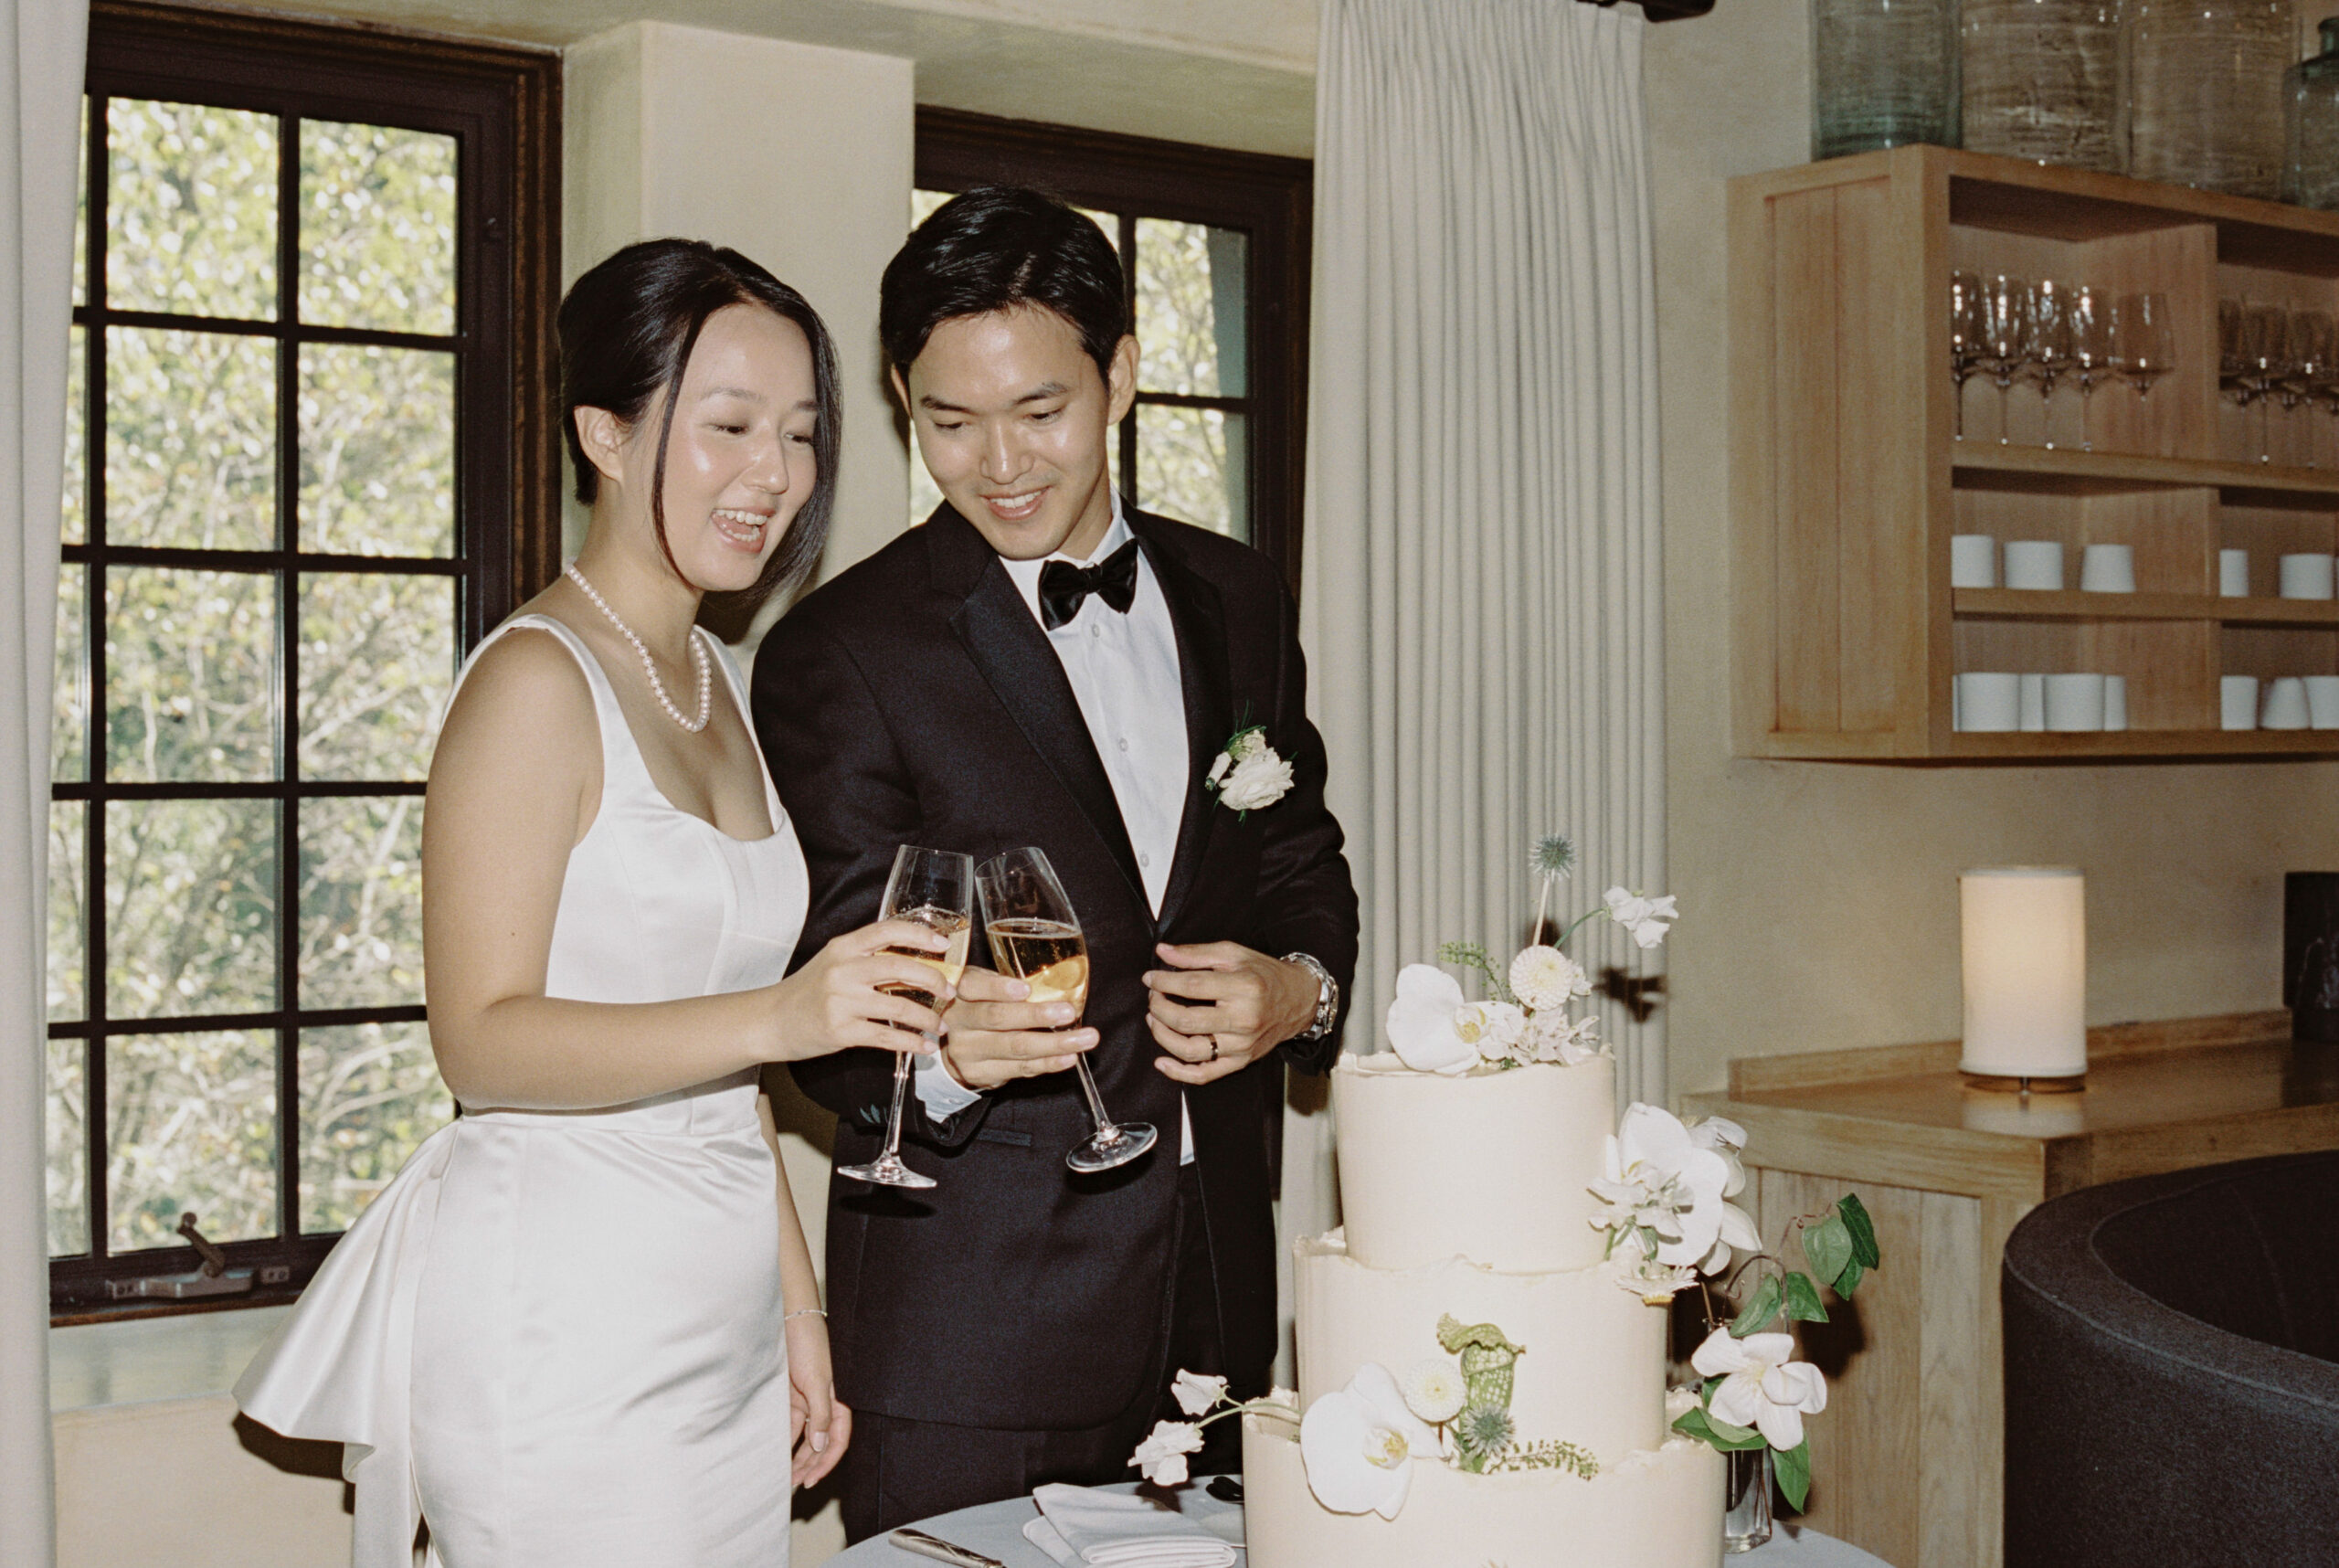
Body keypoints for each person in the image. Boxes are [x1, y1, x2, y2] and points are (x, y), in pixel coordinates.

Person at [235, 238, 953, 1568]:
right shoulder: (534, 685)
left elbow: (726, 1060)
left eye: (800, 433)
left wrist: (798, 1315)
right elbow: (485, 1044)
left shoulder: (719, 677)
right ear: (604, 435)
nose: (775, 475)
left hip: (722, 1335)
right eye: (728, 426)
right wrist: (788, 1010)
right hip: (560, 1340)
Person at [754, 186, 1360, 1542]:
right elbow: (822, 1015)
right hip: (976, 1335)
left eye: (1041, 412)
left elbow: (1300, 857)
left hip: (1216, 1297)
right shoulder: (842, 652)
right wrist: (951, 1055)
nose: (1000, 464)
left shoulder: (1240, 595)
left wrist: (1299, 991)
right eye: (949, 424)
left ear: (1124, 377)